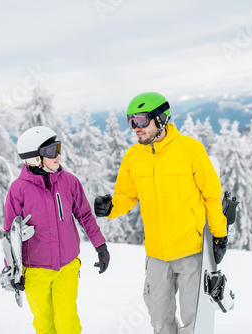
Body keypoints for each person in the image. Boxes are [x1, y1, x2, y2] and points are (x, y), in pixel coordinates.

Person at [94, 92, 227, 333]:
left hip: (191, 250)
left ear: (161, 118)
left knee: (194, 317)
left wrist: (219, 234)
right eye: (131, 121)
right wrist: (111, 207)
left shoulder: (190, 149)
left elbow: (212, 195)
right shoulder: (133, 157)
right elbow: (126, 196)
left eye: (142, 120)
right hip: (156, 253)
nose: (136, 127)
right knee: (159, 316)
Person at [4, 126, 110, 334]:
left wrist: (101, 246)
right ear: (35, 158)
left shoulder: (69, 182)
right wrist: (12, 270)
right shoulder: (19, 190)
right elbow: (10, 234)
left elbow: (85, 216)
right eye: (51, 151)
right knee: (44, 324)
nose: (58, 155)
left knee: (67, 322)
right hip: (35, 271)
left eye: (58, 148)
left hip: (67, 267)